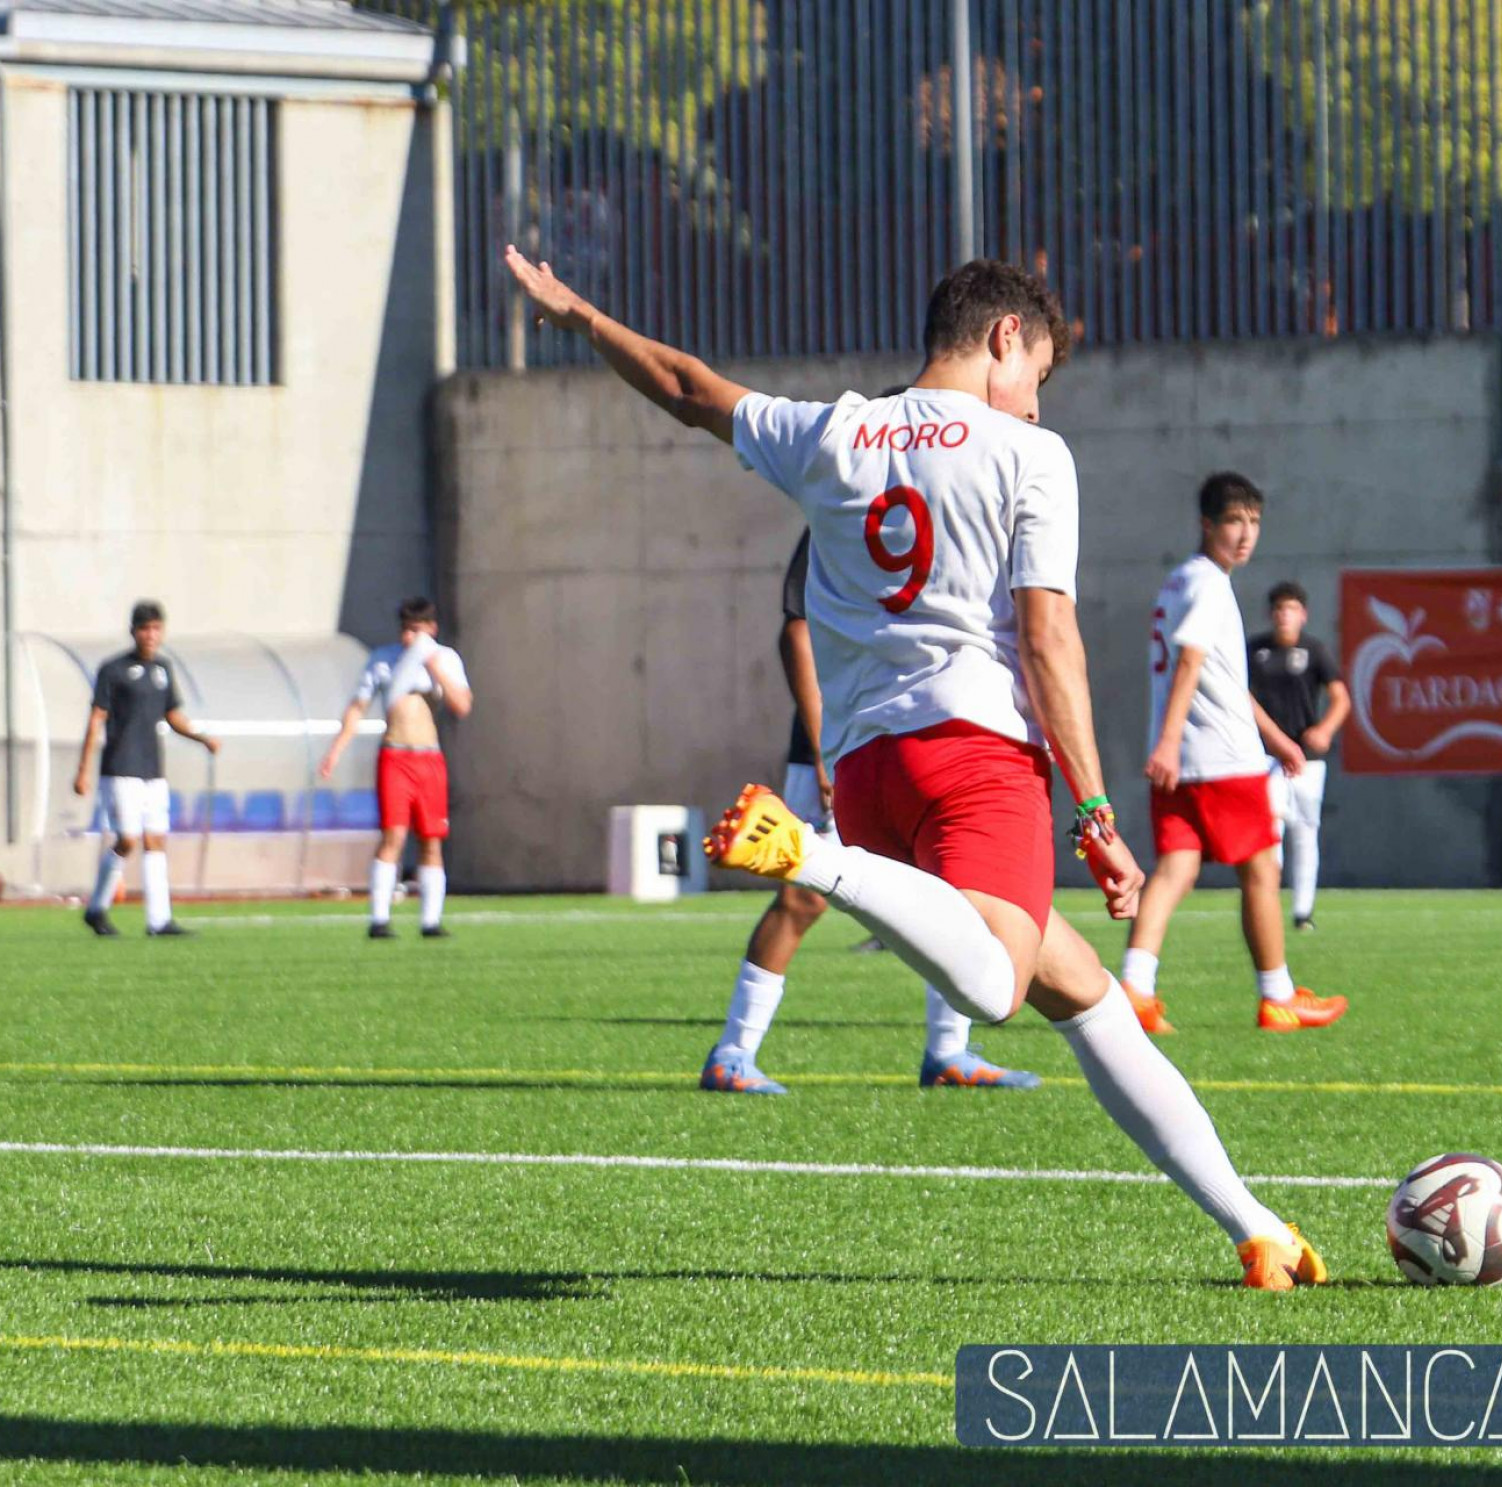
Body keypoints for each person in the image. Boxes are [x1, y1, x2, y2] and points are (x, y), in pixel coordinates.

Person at [505, 245, 1328, 1287]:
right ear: (1000, 340)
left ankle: (1253, 1225)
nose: (1033, 404)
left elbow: (683, 387)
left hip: (867, 771)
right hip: (971, 758)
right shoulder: (1032, 457)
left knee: (1084, 996)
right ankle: (813, 855)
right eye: (1036, 375)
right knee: (991, 986)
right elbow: (1047, 641)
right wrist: (1092, 808)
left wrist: (580, 316)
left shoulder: (832, 430)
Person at [702, 531, 1040, 1093]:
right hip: (846, 740)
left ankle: (949, 1051)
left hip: (913, 736)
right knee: (803, 897)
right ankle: (733, 1052)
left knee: (951, 893)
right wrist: (820, 749)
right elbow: (798, 633)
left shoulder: (945, 494)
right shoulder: (846, 502)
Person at [1119, 474, 1348, 1036]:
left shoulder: (1177, 582)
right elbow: (1191, 663)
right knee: (1262, 870)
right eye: (1233, 521)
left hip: (1182, 760)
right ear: (1207, 524)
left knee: (1175, 869)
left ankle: (1135, 990)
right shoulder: (1210, 586)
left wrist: (1275, 736)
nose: (1245, 535)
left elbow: (1223, 677)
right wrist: (1173, 739)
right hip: (1220, 760)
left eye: (1254, 522)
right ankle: (1277, 996)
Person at [319, 598, 473, 939]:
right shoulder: (383, 660)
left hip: (429, 758)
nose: (409, 638)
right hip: (395, 756)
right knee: (394, 835)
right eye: (405, 630)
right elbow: (357, 707)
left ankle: (430, 921)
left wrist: (432, 664)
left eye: (416, 630)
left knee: (431, 838)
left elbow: (461, 705)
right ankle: (379, 919)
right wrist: (335, 750)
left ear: (431, 629)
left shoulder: (445, 659)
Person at [73, 601, 218, 937]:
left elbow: (173, 716)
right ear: (133, 631)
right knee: (127, 839)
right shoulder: (113, 670)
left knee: (155, 840)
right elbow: (96, 718)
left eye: (156, 629)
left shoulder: (163, 670)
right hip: (121, 768)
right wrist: (83, 769)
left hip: (153, 771)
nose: (150, 635)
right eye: (144, 628)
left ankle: (159, 921)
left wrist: (201, 738)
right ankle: (97, 908)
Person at [1248, 580, 1351, 931]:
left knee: (1305, 831)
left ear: (1302, 614)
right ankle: (1269, 904)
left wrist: (1324, 730)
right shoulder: (1255, 651)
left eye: (1290, 609)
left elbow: (1341, 698)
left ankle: (1303, 912)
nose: (1284, 615)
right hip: (1264, 756)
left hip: (1305, 759)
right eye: (1278, 609)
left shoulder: (1315, 650)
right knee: (1270, 830)